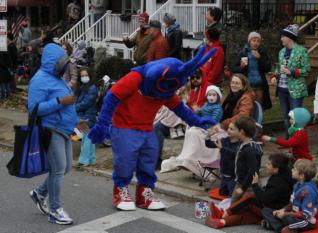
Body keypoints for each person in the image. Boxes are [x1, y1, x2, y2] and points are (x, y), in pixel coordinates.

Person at [88, 46, 217, 211]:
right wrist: (102, 124)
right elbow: (112, 96)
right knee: (125, 161)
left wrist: (197, 121)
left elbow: (179, 108)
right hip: (124, 126)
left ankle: (144, 195)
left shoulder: (167, 88)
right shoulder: (136, 77)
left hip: (147, 128)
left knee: (149, 160)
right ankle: (121, 191)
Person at [28, 43, 87, 225]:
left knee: (66, 167)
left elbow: (67, 104)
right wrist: (60, 101)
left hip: (65, 129)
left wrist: (76, 120)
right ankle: (54, 210)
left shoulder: (57, 77)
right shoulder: (39, 79)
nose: (65, 65)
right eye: (61, 62)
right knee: (58, 169)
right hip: (50, 129)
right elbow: (34, 109)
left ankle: (39, 193)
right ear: (53, 62)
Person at [206, 153, 293, 229]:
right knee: (247, 215)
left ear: (276, 169)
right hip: (272, 208)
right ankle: (222, 222)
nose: (266, 165)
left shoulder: (278, 182)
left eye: (268, 164)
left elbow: (264, 199)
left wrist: (255, 184)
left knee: (249, 198)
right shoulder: (283, 172)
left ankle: (223, 213)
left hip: (272, 210)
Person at [160, 85, 223, 176]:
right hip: (202, 126)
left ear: (218, 96)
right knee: (190, 131)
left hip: (211, 128)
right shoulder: (206, 105)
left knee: (194, 133)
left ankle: (195, 159)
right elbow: (199, 113)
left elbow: (214, 120)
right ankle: (188, 157)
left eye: (214, 95)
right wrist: (197, 111)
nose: (211, 97)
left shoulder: (218, 108)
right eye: (209, 95)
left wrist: (201, 121)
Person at [154, 69, 208, 165]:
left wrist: (198, 111)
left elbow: (211, 108)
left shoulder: (208, 89)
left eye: (197, 77)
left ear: (202, 77)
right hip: (176, 119)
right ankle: (152, 159)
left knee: (157, 127)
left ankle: (154, 160)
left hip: (190, 121)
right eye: (192, 78)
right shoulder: (183, 89)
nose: (194, 79)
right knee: (153, 127)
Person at [271, 24, 310, 138]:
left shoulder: (301, 51)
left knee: (295, 116)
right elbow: (279, 68)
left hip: (296, 89)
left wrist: (292, 72)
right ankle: (288, 139)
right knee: (285, 115)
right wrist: (274, 76)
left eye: (283, 36)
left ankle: (297, 139)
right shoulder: (281, 52)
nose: (281, 38)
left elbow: (306, 69)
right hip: (282, 89)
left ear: (289, 37)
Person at [261, 159, 318, 233]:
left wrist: (285, 214)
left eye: (294, 169)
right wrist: (283, 210)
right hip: (294, 214)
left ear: (301, 175)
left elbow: (306, 215)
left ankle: (281, 227)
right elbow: (292, 203)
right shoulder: (297, 185)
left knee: (288, 218)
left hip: (307, 221)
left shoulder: (308, 191)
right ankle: (284, 228)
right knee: (266, 211)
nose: (292, 170)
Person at [231, 31, 272, 110]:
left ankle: (257, 122)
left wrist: (260, 58)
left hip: (260, 86)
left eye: (258, 41)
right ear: (249, 41)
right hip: (247, 87)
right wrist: (241, 67)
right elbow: (234, 69)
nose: (256, 43)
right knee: (247, 108)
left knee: (258, 108)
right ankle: (248, 122)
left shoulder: (262, 53)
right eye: (253, 40)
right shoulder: (243, 53)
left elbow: (268, 68)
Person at [205, 122, 240, 196]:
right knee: (222, 194)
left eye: (232, 129)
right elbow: (209, 145)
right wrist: (208, 136)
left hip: (234, 176)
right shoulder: (224, 140)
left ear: (240, 132)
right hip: (224, 174)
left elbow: (235, 154)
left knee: (232, 196)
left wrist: (222, 148)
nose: (228, 130)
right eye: (228, 128)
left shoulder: (241, 144)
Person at [76, 68, 98, 166]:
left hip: (88, 115)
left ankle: (83, 160)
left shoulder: (92, 88)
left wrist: (74, 108)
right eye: (82, 76)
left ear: (89, 75)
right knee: (90, 137)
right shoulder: (83, 87)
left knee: (87, 137)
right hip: (86, 115)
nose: (84, 77)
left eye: (85, 75)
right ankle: (92, 159)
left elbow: (86, 103)